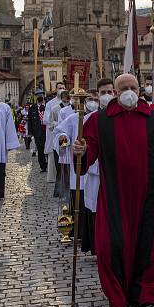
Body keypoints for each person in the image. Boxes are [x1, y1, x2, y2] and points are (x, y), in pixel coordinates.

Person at [72, 73, 154, 307]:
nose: (129, 91)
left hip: (147, 197)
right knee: (112, 246)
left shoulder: (153, 120)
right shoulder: (100, 121)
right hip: (114, 195)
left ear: (140, 90)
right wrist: (81, 152)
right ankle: (118, 295)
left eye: (134, 87)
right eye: (124, 88)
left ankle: (144, 294)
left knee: (149, 247)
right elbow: (89, 149)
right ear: (115, 91)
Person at [55, 86, 102, 255]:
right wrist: (63, 138)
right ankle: (79, 232)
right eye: (91, 99)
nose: (93, 103)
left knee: (95, 204)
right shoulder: (74, 118)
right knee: (80, 200)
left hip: (98, 169)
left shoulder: (102, 119)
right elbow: (60, 131)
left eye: (96, 100)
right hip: (80, 167)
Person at [44, 82, 66, 184]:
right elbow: (46, 120)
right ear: (56, 90)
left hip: (65, 136)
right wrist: (59, 124)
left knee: (65, 154)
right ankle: (54, 178)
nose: (61, 90)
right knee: (54, 155)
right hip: (54, 134)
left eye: (63, 88)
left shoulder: (69, 103)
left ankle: (65, 178)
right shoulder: (51, 104)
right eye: (59, 88)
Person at [27, 94, 48, 172]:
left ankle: (49, 163)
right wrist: (30, 131)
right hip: (38, 131)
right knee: (40, 149)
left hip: (47, 131)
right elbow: (30, 120)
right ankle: (43, 166)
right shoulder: (33, 108)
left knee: (48, 148)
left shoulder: (47, 106)